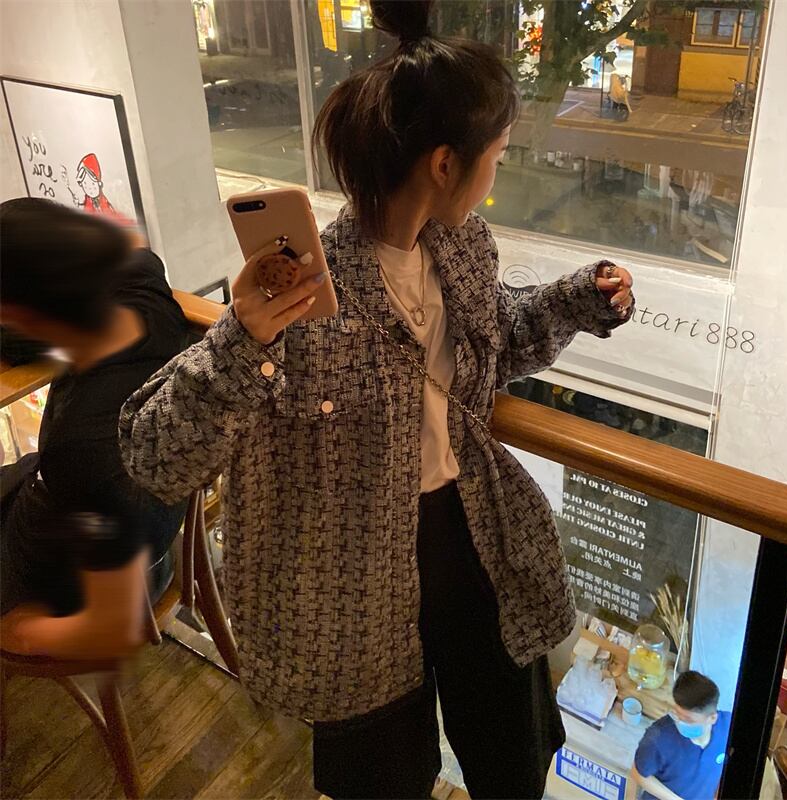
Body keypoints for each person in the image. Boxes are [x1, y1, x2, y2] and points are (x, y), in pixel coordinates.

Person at [119, 2, 635, 797]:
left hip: (471, 532)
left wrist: (577, 299)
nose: (497, 176)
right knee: (386, 781)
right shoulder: (302, 297)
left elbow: (498, 342)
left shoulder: (464, 244)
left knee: (512, 752)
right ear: (444, 164)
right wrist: (242, 336)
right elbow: (154, 455)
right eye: (497, 156)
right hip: (347, 584)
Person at [0, 198, 189, 659]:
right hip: (152, 525)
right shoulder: (147, 288)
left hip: (82, 579)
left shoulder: (78, 446)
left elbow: (109, 628)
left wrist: (16, 631)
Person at [632, 671, 732, 800]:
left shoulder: (728, 726)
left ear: (712, 718)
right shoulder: (657, 738)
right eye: (677, 715)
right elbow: (638, 773)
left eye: (689, 720)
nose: (681, 723)